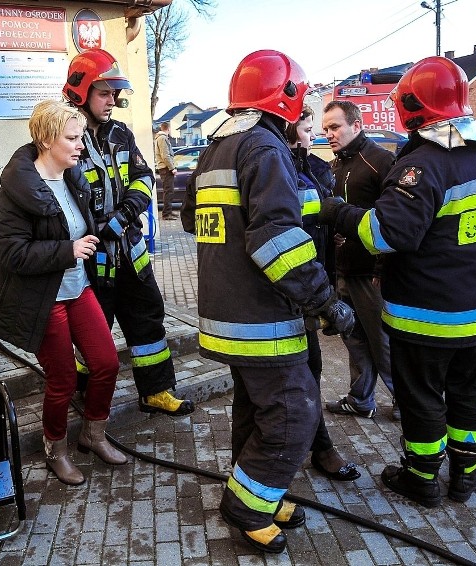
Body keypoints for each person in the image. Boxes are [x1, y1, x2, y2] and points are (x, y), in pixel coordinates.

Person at [181, 50, 354, 553]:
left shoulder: (218, 146)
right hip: (263, 318)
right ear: (288, 97)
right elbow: (275, 241)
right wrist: (326, 302)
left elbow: (196, 219)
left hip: (226, 314)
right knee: (292, 415)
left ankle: (261, 492)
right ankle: (245, 507)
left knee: (255, 412)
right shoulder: (264, 149)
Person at [319, 57, 476, 507]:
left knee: (422, 395)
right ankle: (466, 473)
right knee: (469, 390)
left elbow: (386, 235)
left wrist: (335, 212)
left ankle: (421, 476)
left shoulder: (423, 165)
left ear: (412, 107)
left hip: (428, 314)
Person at [0, 100, 125, 485]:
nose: (81, 145)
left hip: (78, 288)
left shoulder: (73, 179)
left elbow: (81, 226)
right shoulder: (17, 189)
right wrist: (68, 250)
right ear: (47, 139)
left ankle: (93, 435)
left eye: (80, 137)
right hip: (44, 298)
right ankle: (55, 449)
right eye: (73, 138)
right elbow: (7, 252)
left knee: (106, 363)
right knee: (62, 377)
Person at [62, 48, 194, 417]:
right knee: (93, 333)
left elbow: (143, 176)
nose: (113, 100)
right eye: (104, 93)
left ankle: (156, 391)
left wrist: (124, 214)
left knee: (147, 318)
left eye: (114, 93)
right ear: (80, 91)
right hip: (92, 259)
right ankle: (84, 394)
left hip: (130, 251)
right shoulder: (64, 135)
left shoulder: (120, 132)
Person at [286, 105, 360, 482]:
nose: (314, 134)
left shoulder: (315, 169)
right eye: (308, 127)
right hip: (283, 291)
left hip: (312, 286)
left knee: (311, 368)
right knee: (284, 379)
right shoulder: (271, 166)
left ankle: (319, 447)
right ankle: (308, 448)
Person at [319, 100, 398, 421]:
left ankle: (408, 405)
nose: (329, 134)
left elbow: (393, 221)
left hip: (371, 274)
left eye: (335, 127)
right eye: (325, 129)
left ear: (357, 124)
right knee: (354, 340)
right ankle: (360, 399)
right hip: (345, 270)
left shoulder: (381, 161)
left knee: (383, 344)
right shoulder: (337, 165)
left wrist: (381, 267)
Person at [155, 121, 178, 219]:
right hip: (165, 168)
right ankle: (166, 214)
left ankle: (168, 211)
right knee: (168, 191)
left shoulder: (160, 138)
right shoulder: (163, 138)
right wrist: (172, 168)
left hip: (164, 168)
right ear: (168, 128)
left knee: (169, 191)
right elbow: (165, 155)